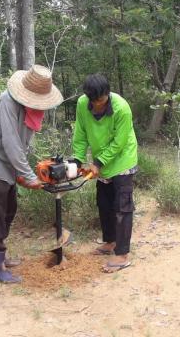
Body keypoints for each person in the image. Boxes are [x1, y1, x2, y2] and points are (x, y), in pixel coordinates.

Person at [0, 65, 63, 283]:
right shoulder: (8, 101)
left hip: (8, 167)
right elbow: (11, 143)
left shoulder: (32, 110)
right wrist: (29, 175)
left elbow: (22, 146)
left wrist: (23, 173)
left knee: (9, 211)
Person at [72, 74, 138, 273]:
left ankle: (122, 254)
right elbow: (81, 133)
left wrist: (98, 163)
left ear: (107, 95)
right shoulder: (83, 104)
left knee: (122, 207)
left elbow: (120, 142)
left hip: (122, 160)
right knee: (104, 203)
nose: (97, 105)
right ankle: (110, 241)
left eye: (101, 101)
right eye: (93, 101)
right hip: (102, 161)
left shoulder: (121, 108)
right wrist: (77, 160)